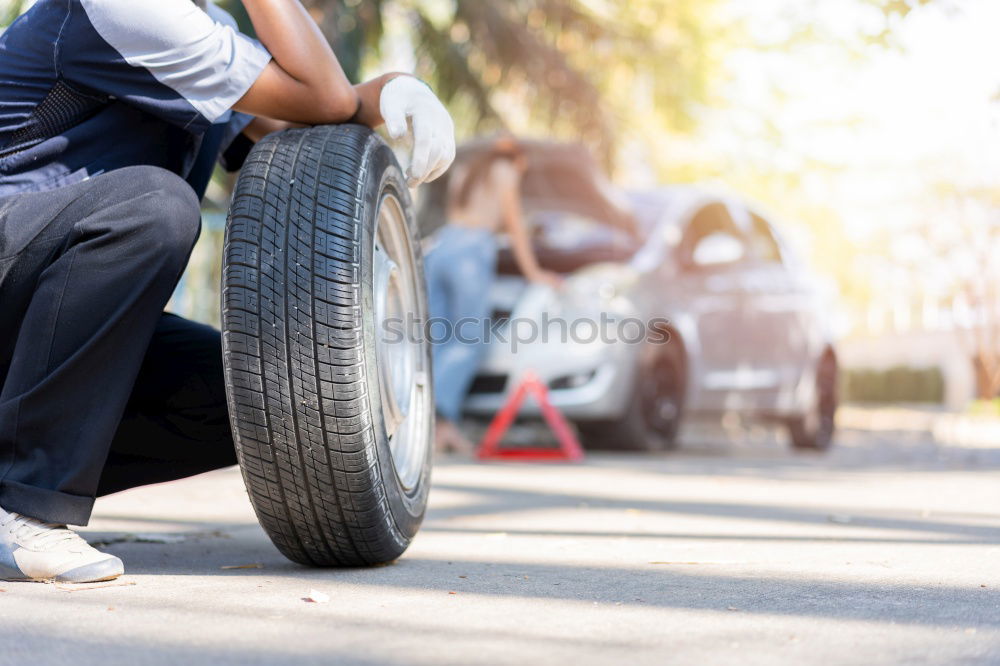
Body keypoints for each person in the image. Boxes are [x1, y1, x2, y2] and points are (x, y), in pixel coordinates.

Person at [0, 0, 455, 583]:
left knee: (270, 398)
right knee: (152, 206)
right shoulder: (127, 7)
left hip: (36, 310)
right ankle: (26, 505)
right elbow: (328, 98)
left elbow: (311, 113)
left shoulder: (203, 28)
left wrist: (400, 88)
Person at [424, 137, 560, 454]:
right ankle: (438, 409)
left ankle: (440, 430)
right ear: (519, 160)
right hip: (470, 252)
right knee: (469, 340)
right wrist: (535, 273)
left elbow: (458, 212)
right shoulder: (505, 170)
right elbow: (513, 225)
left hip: (441, 246)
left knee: (440, 339)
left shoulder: (469, 169)